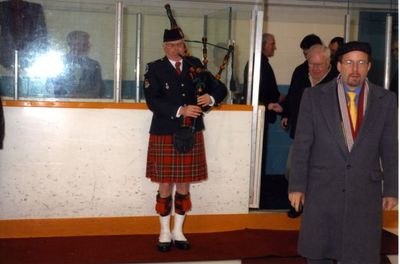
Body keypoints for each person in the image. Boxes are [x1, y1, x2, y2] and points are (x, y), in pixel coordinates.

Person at [288, 41, 398, 264]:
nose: (354, 69)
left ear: (368, 67)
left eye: (361, 63)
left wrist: (392, 189)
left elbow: (390, 147)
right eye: (348, 62)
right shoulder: (313, 97)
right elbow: (302, 145)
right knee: (319, 253)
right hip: (322, 189)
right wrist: (297, 186)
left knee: (360, 254)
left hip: (364, 191)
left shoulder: (385, 100)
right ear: (338, 66)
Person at [143, 28, 227, 252]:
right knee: (165, 185)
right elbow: (153, 101)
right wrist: (181, 109)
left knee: (183, 183)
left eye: (179, 44)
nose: (176, 49)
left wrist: (210, 97)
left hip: (191, 132)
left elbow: (220, 89)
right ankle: (164, 231)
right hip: (164, 131)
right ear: (164, 47)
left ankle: (178, 231)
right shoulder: (154, 69)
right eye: (171, 45)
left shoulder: (193, 64)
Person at [282, 44, 339, 217]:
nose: (314, 68)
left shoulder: (337, 80)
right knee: (292, 170)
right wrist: (286, 114)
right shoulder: (300, 73)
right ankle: (296, 202)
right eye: (311, 64)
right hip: (300, 133)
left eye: (319, 64)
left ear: (329, 62)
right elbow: (292, 95)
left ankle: (316, 207)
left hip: (327, 140)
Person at [48, 30, 105, 98]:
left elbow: (98, 91)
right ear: (70, 45)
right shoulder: (58, 63)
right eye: (79, 44)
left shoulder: (94, 65)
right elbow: (50, 86)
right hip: (62, 105)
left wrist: (79, 96)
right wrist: (65, 94)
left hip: (86, 105)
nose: (84, 47)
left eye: (85, 44)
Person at [0, 0, 48, 69]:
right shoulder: (2, 7)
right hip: (6, 55)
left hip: (31, 55)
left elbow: (42, 34)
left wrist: (42, 52)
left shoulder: (35, 8)